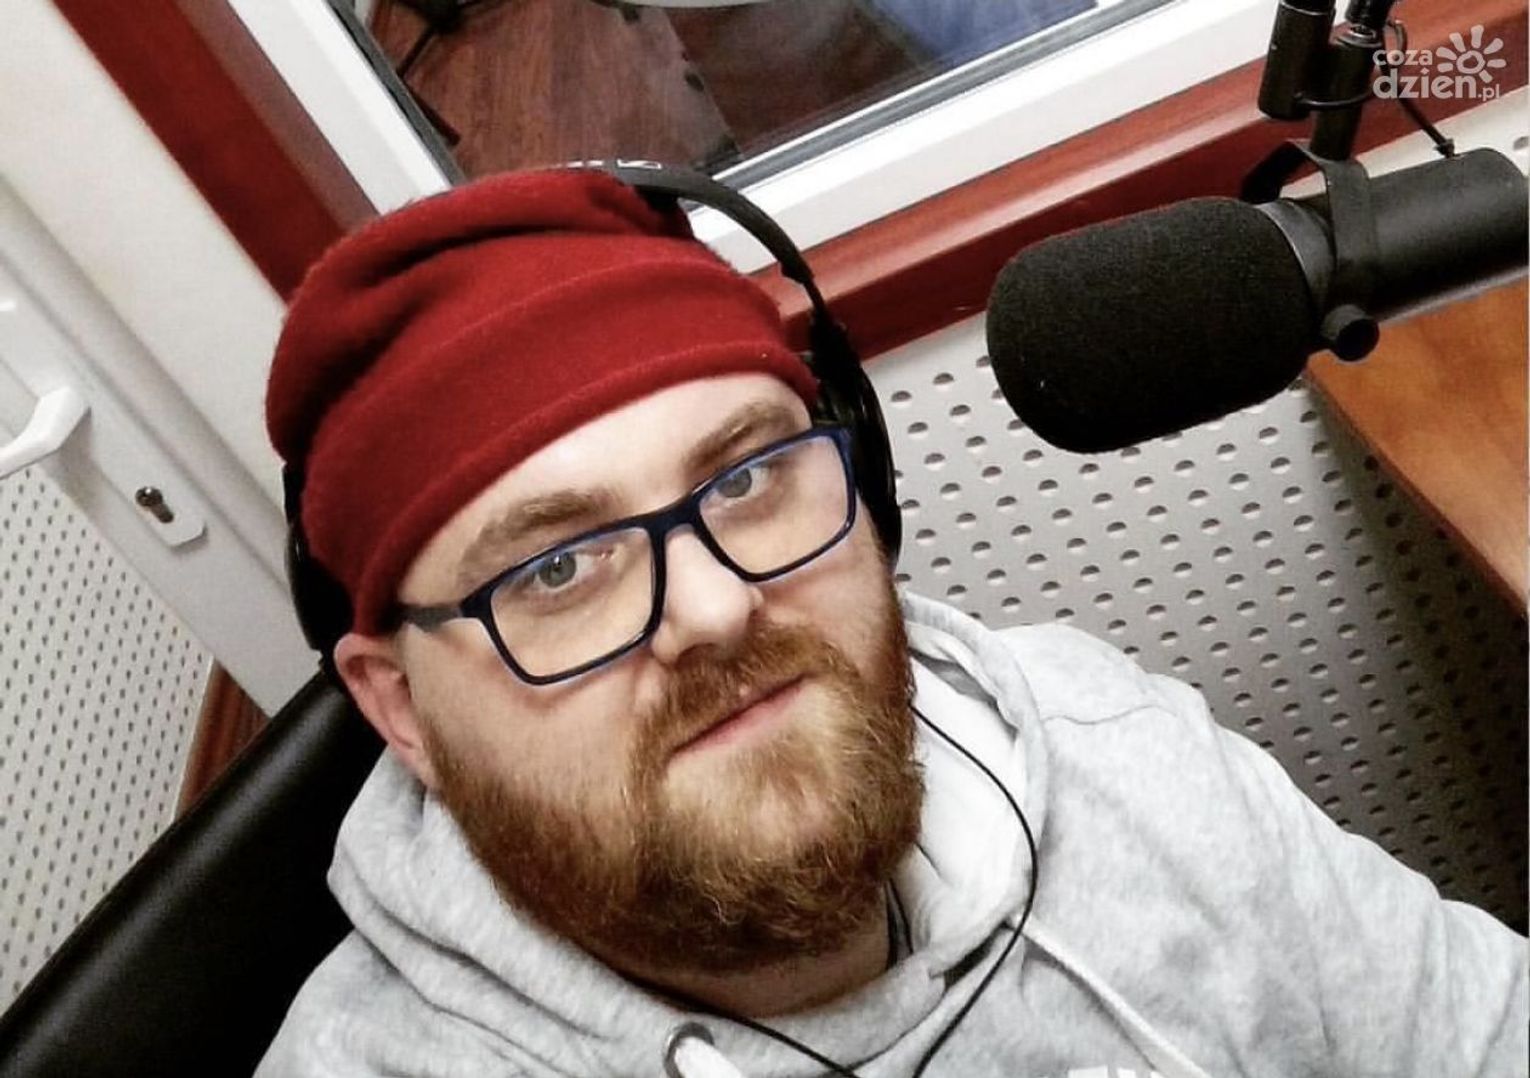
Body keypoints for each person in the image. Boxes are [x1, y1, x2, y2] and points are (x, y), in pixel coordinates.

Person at [258, 167, 1526, 1078]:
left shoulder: (1096, 733)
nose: (714, 607)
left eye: (748, 479)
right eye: (557, 570)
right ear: (400, 708)